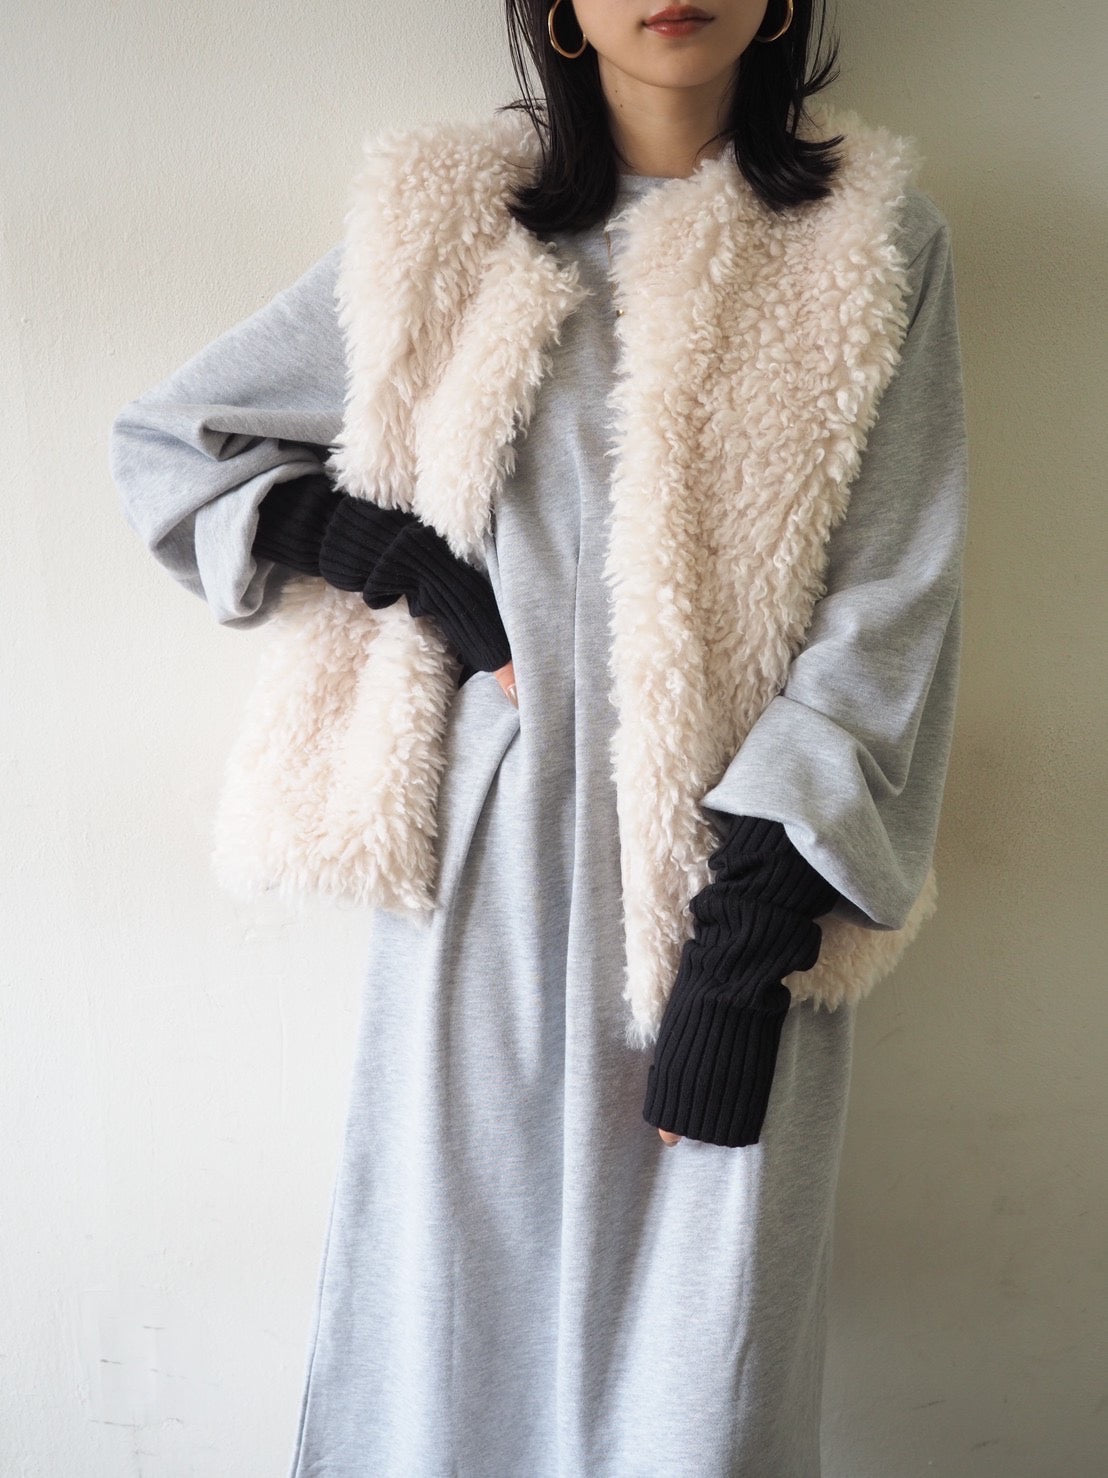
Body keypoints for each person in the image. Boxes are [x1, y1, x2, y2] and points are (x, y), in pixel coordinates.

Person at [108, 1, 968, 1472]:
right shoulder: (448, 230)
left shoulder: (870, 244)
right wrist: (392, 554)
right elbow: (173, 444)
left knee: (704, 1388)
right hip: (485, 892)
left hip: (735, 907)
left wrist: (742, 954)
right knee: (450, 1348)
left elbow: (892, 605)